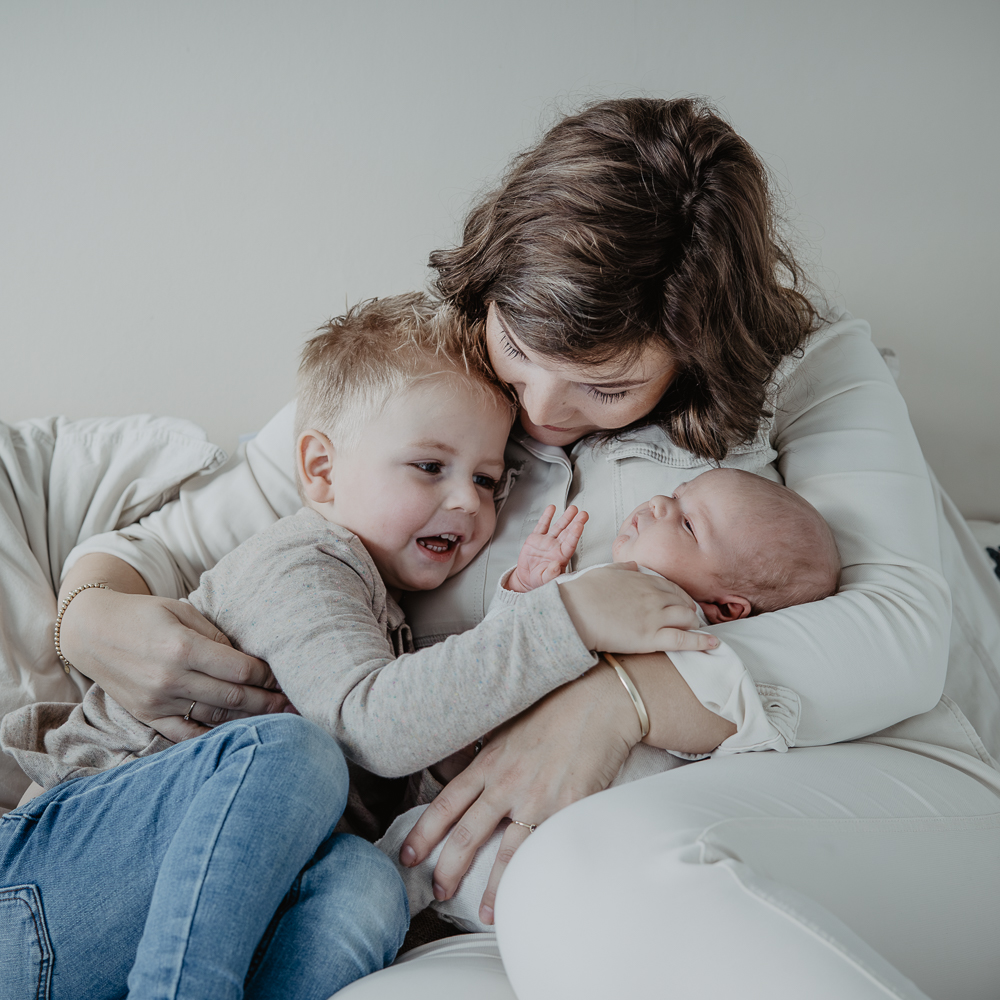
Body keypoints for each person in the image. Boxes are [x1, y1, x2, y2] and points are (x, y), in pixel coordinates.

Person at [22, 97, 1000, 999]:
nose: (538, 412)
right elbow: (166, 539)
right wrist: (89, 616)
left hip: (809, 795)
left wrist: (609, 702)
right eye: (518, 356)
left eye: (605, 388)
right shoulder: (433, 369)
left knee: (593, 877)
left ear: (697, 350)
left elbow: (899, 628)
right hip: (461, 876)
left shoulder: (809, 367)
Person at [2, 294, 708, 804]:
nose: (469, 500)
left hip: (215, 826)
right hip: (96, 808)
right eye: (431, 468)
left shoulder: (378, 592)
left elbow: (420, 725)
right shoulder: (305, 563)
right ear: (319, 470)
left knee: (361, 892)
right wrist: (568, 618)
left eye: (489, 480)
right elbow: (375, 727)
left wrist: (519, 601)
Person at [376, 466, 842, 933]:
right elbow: (512, 660)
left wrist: (536, 602)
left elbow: (520, 660)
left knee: (406, 849)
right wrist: (525, 588)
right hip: (530, 822)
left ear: (728, 609)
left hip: (530, 835)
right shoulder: (626, 590)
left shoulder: (683, 631)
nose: (660, 503)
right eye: (677, 495)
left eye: (687, 524)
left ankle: (370, 893)